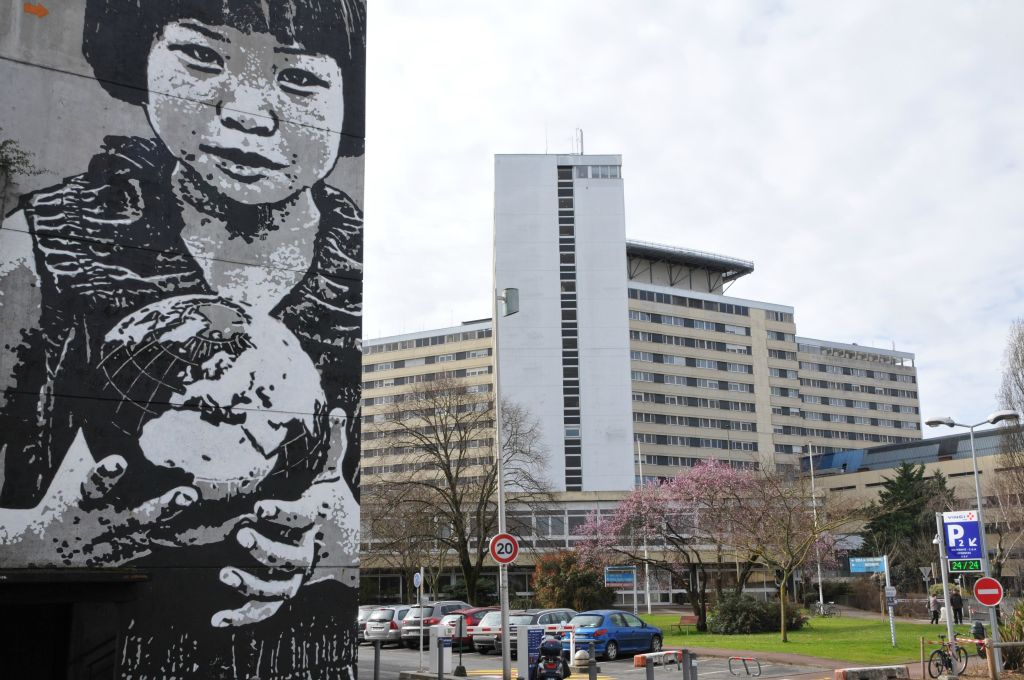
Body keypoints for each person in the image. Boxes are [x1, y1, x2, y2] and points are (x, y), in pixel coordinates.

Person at [0, 0, 365, 677]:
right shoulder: (45, 243)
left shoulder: (357, 273)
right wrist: (32, 541)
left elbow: (350, 509)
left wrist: (337, 544)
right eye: (202, 56)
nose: (250, 113)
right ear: (138, 52)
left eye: (300, 78)